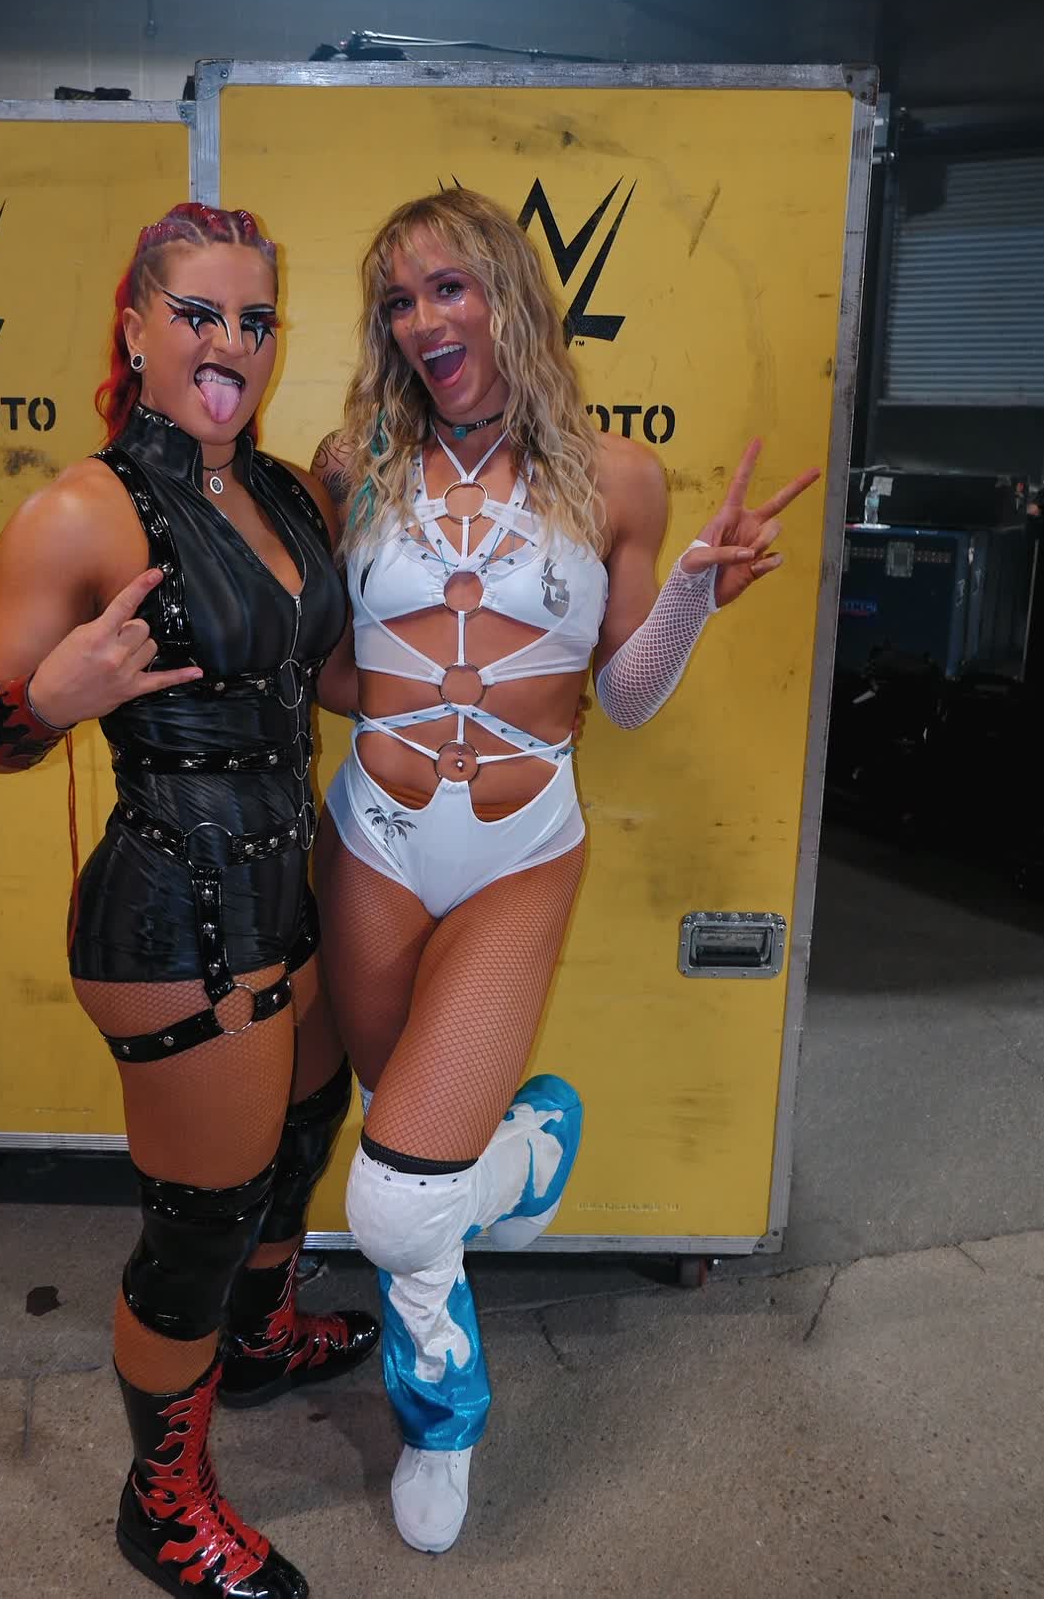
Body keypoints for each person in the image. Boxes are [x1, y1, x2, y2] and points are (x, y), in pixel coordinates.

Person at [310, 188, 819, 1555]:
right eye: (399, 301)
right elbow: (328, 667)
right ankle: (503, 1185)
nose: (423, 320)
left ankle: (452, 1393)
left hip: (518, 853)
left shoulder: (618, 478)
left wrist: (697, 588)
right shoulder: (351, 463)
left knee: (395, 1200)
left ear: (509, 296)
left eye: (448, 288)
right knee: (407, 1161)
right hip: (371, 845)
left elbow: (628, 695)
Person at [0, 201, 377, 1599]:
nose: (228, 343)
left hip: (290, 882)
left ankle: (259, 1340)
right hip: (176, 915)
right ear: (135, 328)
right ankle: (163, 1505)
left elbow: (326, 680)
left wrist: (500, 660)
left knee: (306, 1124)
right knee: (199, 1225)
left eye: (254, 319)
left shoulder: (287, 494)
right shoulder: (83, 510)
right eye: (197, 313)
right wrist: (44, 699)